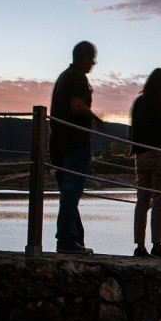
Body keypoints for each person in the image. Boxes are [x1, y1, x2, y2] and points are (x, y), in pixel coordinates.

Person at [49, 41, 103, 254]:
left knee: (68, 193)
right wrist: (95, 118)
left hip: (58, 144)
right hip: (74, 144)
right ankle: (66, 241)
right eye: (92, 58)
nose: (94, 63)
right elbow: (76, 105)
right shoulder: (78, 78)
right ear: (82, 57)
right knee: (71, 193)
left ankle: (74, 239)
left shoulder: (64, 77)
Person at [130, 67, 161, 259]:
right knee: (159, 201)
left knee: (142, 201)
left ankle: (140, 246)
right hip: (158, 153)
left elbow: (133, 130)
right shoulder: (157, 101)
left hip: (140, 156)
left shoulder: (138, 102)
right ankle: (157, 246)